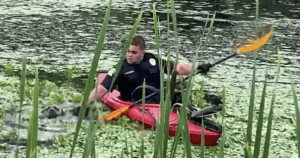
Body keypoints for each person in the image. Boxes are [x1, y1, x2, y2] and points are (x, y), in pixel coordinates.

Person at [87, 36, 213, 105]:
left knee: (179, 96)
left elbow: (179, 68)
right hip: (134, 104)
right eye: (128, 51)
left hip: (158, 102)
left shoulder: (153, 60)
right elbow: (101, 89)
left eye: (134, 52)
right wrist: (81, 107)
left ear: (143, 52)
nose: (130, 55)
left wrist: (198, 67)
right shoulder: (120, 68)